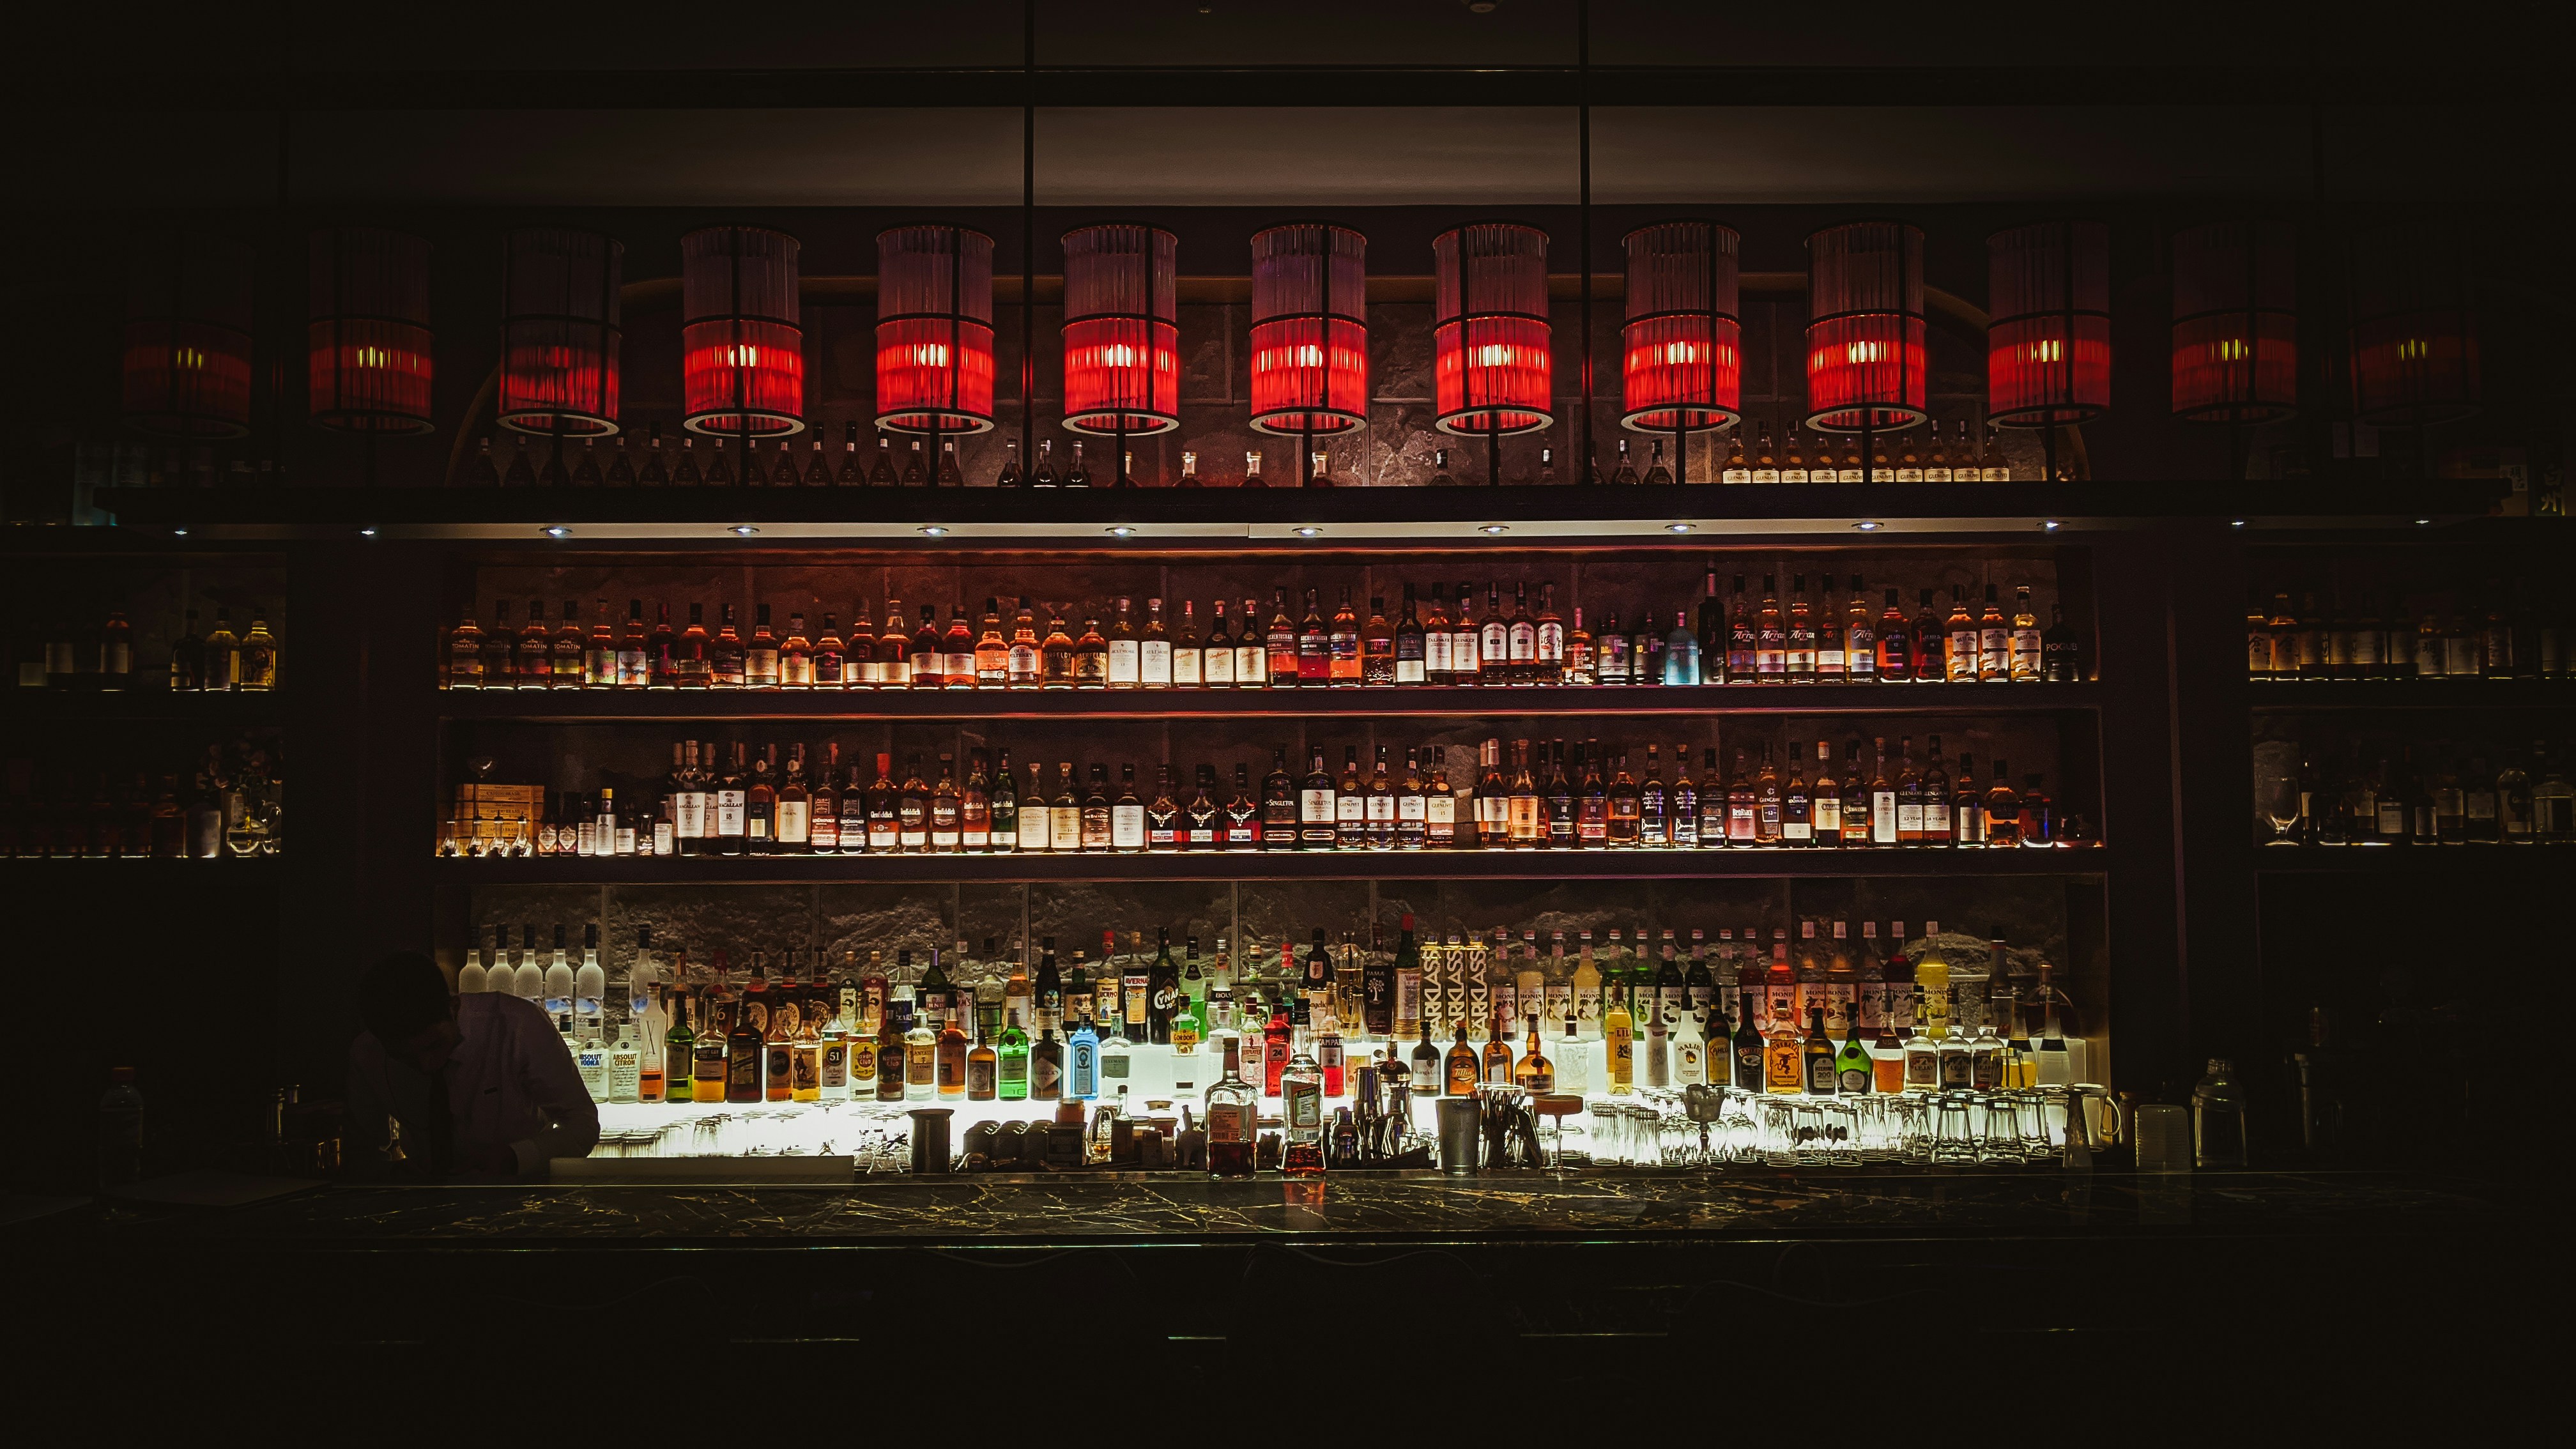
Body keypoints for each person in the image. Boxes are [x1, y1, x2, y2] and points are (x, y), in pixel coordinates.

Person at [346, 951, 599, 1181]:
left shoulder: (518, 1026)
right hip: (424, 1197)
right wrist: (395, 1173)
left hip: (519, 1190)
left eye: (433, 1046)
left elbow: (583, 1124)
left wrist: (516, 1157)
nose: (426, 1065)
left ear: (454, 1008)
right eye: (405, 1057)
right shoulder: (367, 1053)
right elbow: (361, 1153)